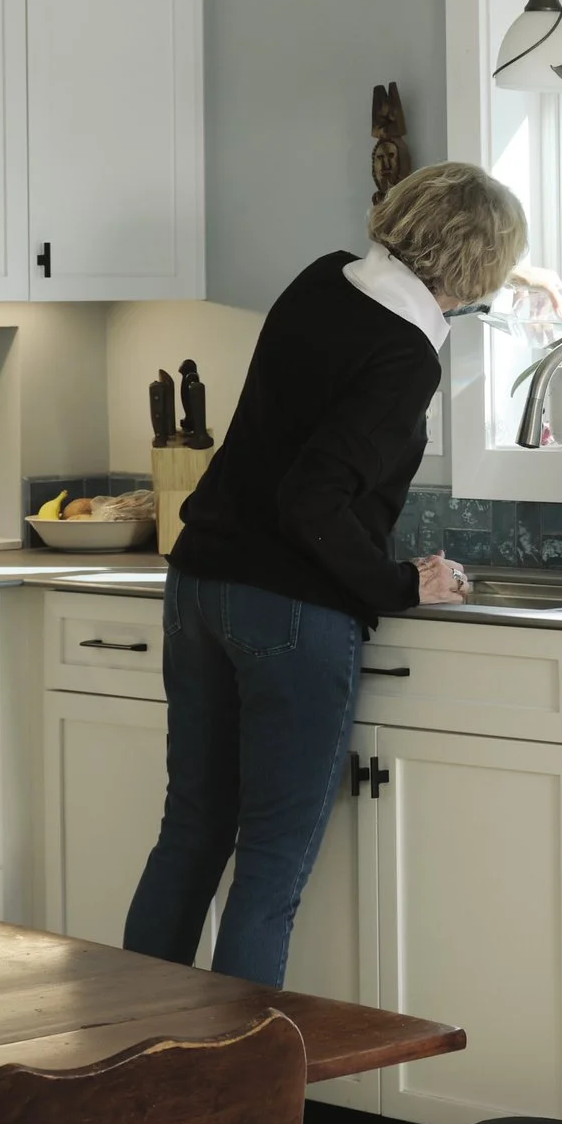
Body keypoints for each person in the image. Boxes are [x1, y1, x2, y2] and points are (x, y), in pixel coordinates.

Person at [125, 159, 524, 1007]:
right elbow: (312, 499)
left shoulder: (320, 281)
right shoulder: (406, 352)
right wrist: (396, 585)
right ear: (476, 268)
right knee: (269, 865)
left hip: (199, 586)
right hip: (289, 613)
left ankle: (129, 1087)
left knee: (190, 835)